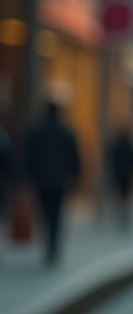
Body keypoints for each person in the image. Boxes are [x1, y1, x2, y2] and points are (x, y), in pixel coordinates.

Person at [24, 101, 81, 263]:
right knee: (56, 213)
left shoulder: (36, 132)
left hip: (41, 180)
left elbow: (29, 157)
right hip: (60, 181)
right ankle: (53, 243)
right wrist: (75, 176)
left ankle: (49, 243)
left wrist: (27, 178)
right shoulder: (66, 132)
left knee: (44, 213)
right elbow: (74, 157)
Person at [107, 129, 133, 227]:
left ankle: (121, 214)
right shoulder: (130, 147)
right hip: (127, 175)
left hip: (118, 175)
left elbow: (111, 160)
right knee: (126, 196)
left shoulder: (116, 147)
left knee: (119, 196)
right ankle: (125, 214)